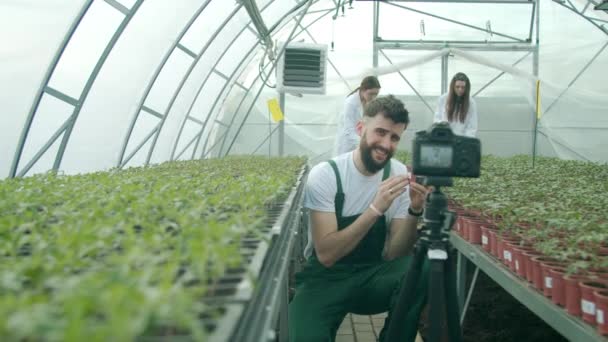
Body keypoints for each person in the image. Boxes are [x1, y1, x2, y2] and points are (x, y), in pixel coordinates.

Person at [290, 95, 429, 342]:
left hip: (370, 277)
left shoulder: (396, 173)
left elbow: (395, 254)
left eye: (394, 137)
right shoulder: (327, 174)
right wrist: (375, 209)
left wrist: (414, 211)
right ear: (360, 128)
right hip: (325, 281)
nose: (386, 144)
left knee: (421, 266)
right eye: (380, 132)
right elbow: (327, 254)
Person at [334, 76, 381, 155]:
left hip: (359, 142)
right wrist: (365, 143)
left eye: (375, 94)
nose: (373, 97)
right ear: (362, 90)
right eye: (371, 94)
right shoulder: (351, 103)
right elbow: (349, 130)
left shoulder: (368, 102)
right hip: (347, 145)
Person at [434, 72, 478, 137]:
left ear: (467, 88)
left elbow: (472, 127)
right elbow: (437, 119)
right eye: (457, 87)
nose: (460, 90)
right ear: (453, 86)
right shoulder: (442, 99)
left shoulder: (471, 103)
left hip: (462, 140)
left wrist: (465, 141)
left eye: (463, 87)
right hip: (445, 138)